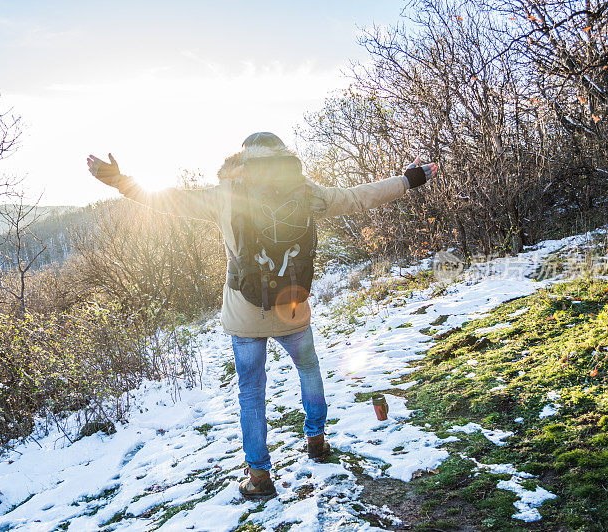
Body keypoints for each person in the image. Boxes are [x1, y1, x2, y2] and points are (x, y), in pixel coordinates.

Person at [87, 132, 436, 500]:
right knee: (309, 370)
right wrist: (409, 179)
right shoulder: (305, 191)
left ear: (244, 159)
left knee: (251, 392)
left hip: (245, 313)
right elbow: (357, 197)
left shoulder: (226, 194)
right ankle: (316, 442)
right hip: (293, 308)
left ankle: (259, 476)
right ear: (282, 157)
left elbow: (168, 199)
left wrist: (117, 180)